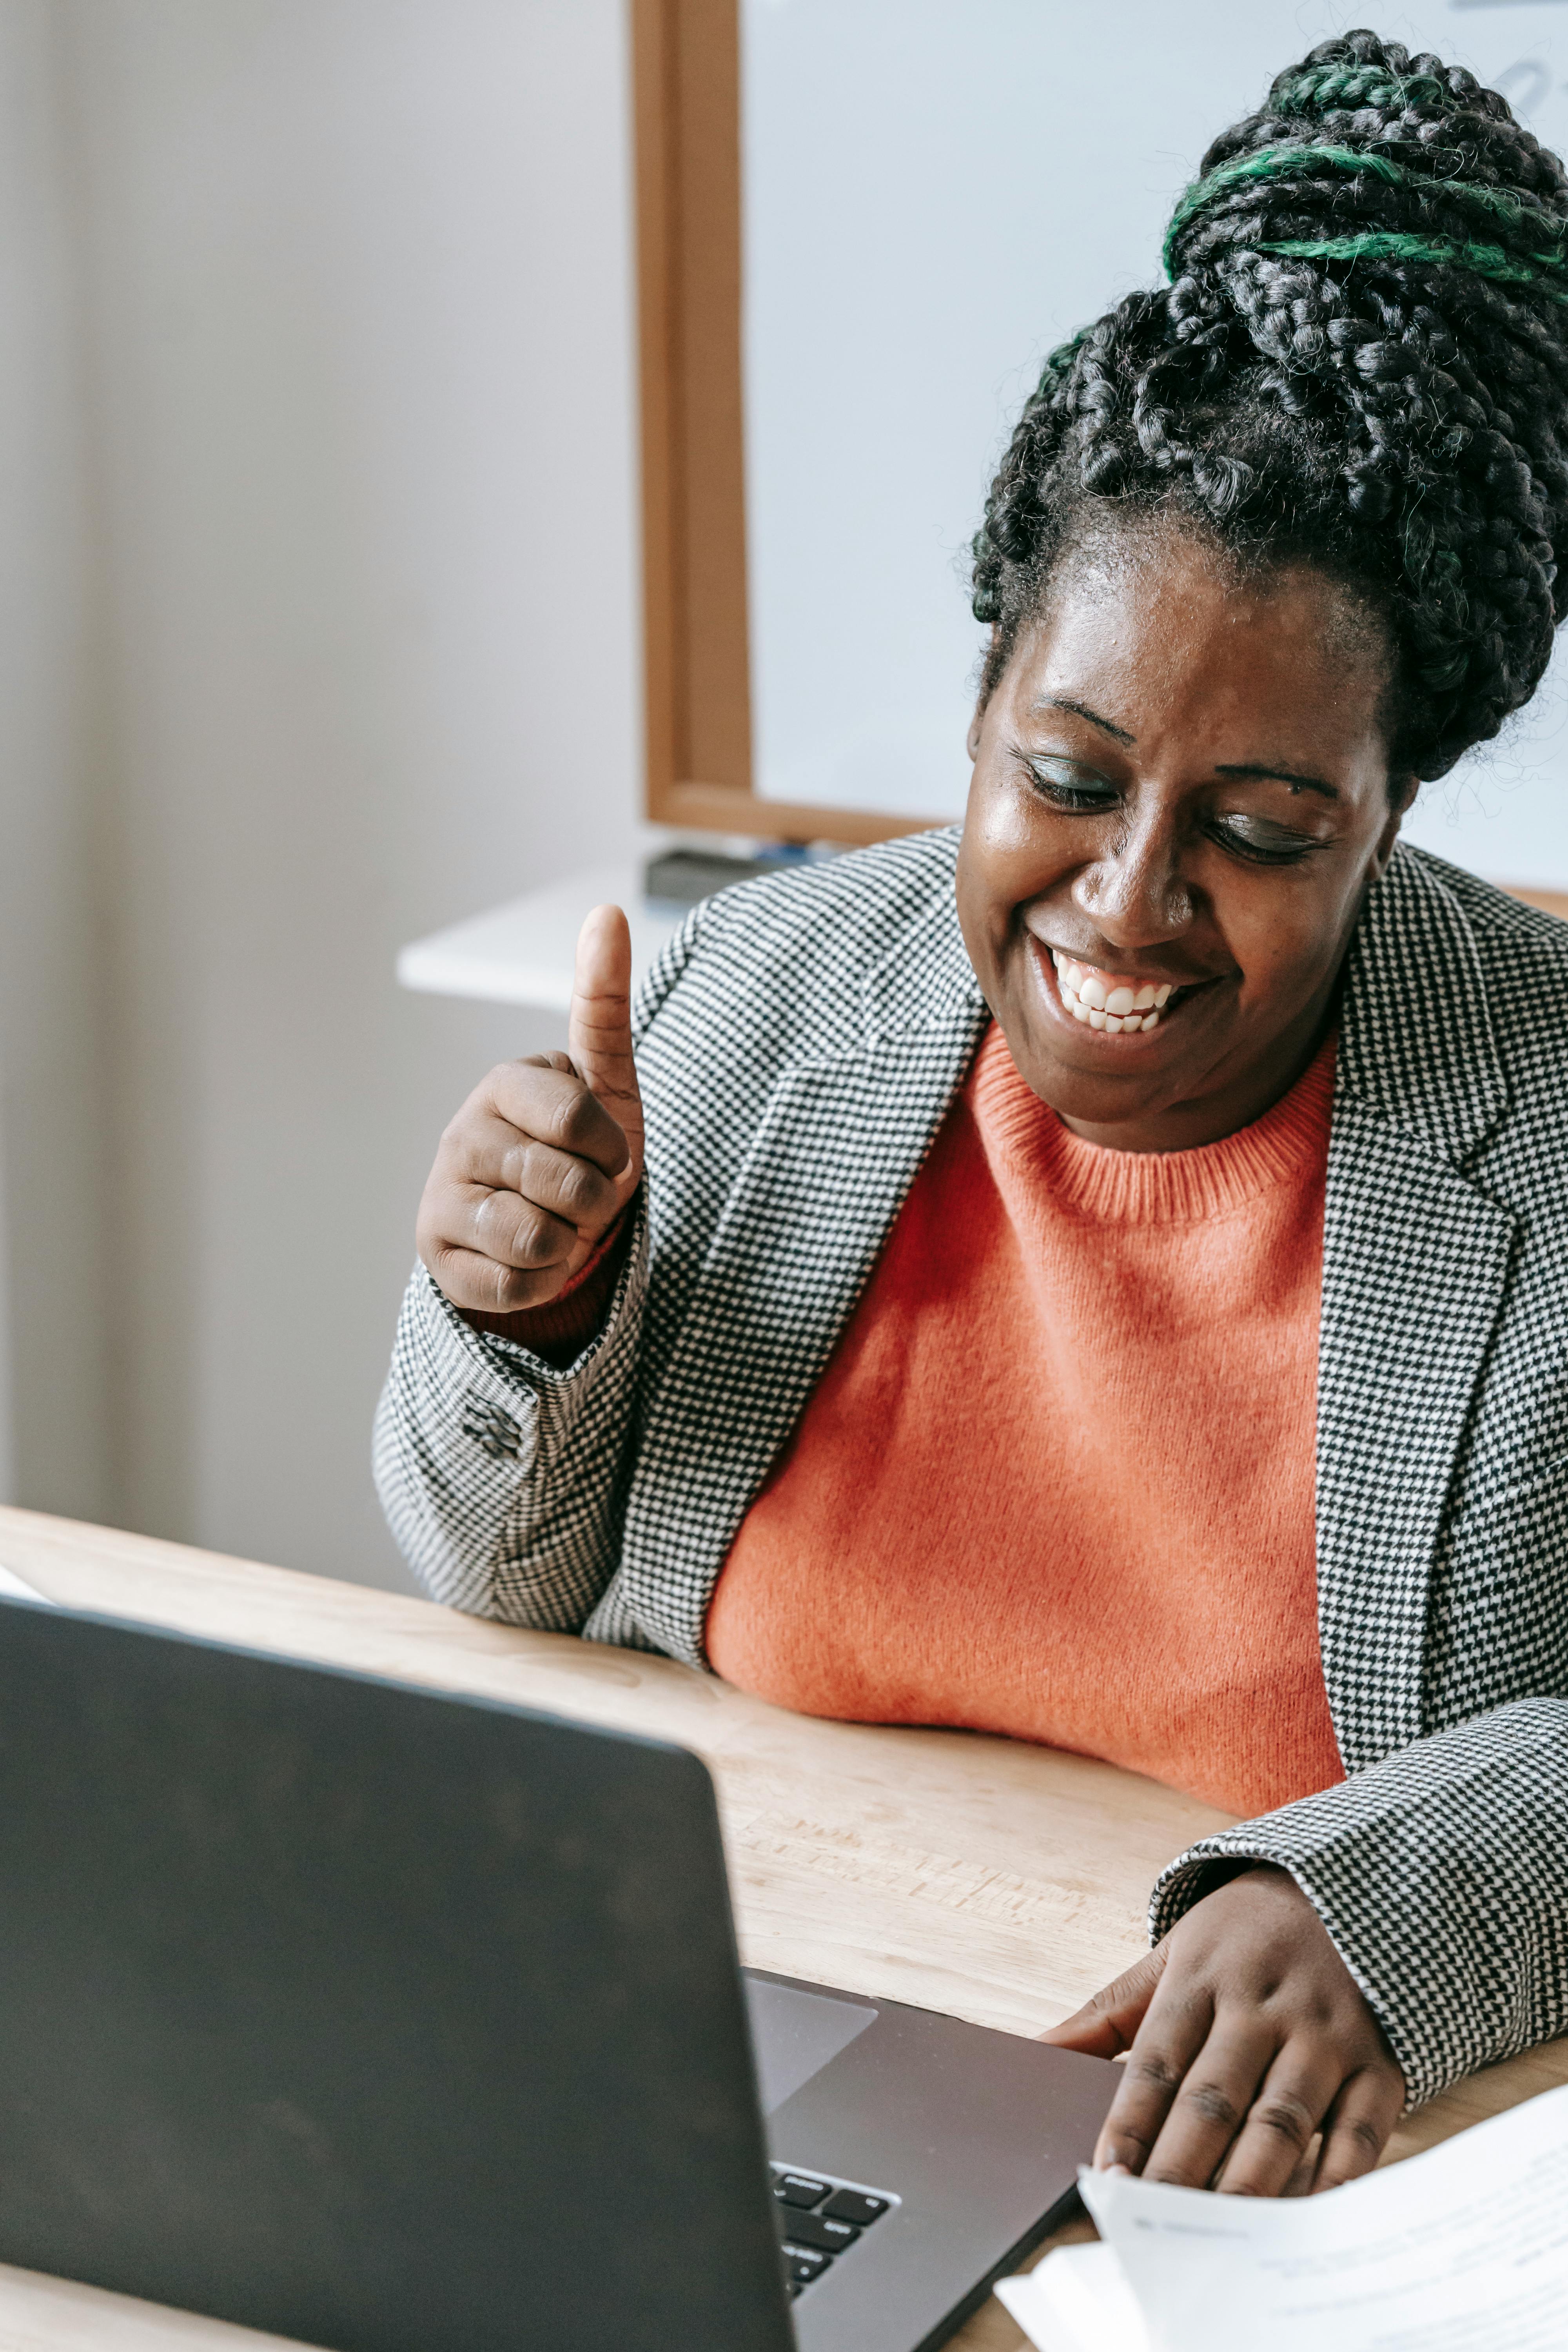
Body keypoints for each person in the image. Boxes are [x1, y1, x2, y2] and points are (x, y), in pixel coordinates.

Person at [376, 30, 1568, 2197]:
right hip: (694, 2076)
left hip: (1269, 2187)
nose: (1127, 900)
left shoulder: (1548, 1127)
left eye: (1268, 822)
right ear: (984, 696)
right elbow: (501, 1594)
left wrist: (1402, 1904)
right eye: (1067, 778)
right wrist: (520, 1323)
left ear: (1395, 811)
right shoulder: (753, 1009)